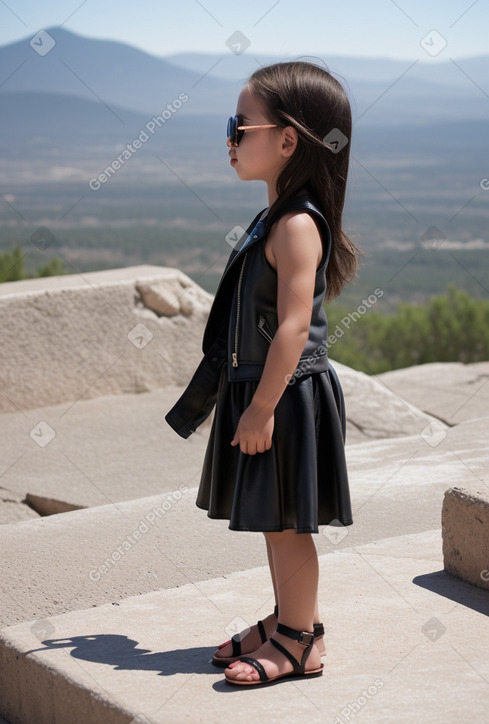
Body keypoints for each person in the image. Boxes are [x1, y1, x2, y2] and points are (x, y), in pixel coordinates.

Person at [165, 60, 361, 687]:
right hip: (266, 389)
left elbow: (294, 327)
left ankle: (302, 640)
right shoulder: (275, 218)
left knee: (287, 524)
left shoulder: (297, 225)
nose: (230, 139)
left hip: (287, 393)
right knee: (271, 518)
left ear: (285, 140)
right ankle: (286, 620)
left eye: (239, 125)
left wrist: (260, 407)